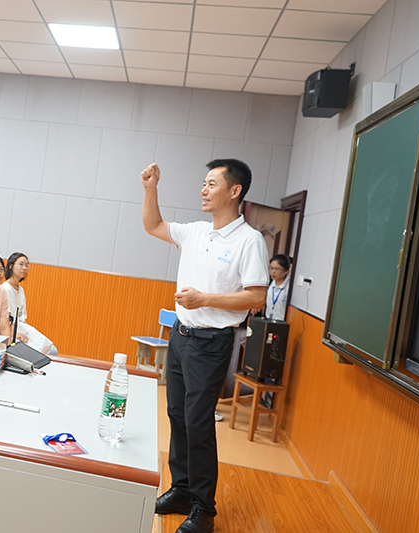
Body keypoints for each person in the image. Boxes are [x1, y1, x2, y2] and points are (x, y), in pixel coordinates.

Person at [141, 159, 268, 533]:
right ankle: (181, 489)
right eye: (204, 183)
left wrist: (204, 299)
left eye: (212, 184)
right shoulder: (196, 231)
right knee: (177, 416)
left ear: (235, 191)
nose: (204, 189)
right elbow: (153, 225)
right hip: (180, 336)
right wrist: (150, 188)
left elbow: (256, 297)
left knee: (198, 423)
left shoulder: (250, 241)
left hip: (211, 343)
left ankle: (203, 510)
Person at [1, 252, 57, 354]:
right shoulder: (5, 288)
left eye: (27, 265)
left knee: (51, 349)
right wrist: (15, 333)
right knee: (49, 351)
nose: (24, 268)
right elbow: (8, 319)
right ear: (11, 266)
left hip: (21, 328)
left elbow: (22, 317)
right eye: (21, 264)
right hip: (12, 331)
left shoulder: (20, 289)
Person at [265, 254, 291, 321]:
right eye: (271, 268)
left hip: (282, 321)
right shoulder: (269, 283)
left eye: (276, 269)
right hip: (268, 319)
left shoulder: (289, 287)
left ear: (286, 271)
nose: (273, 272)